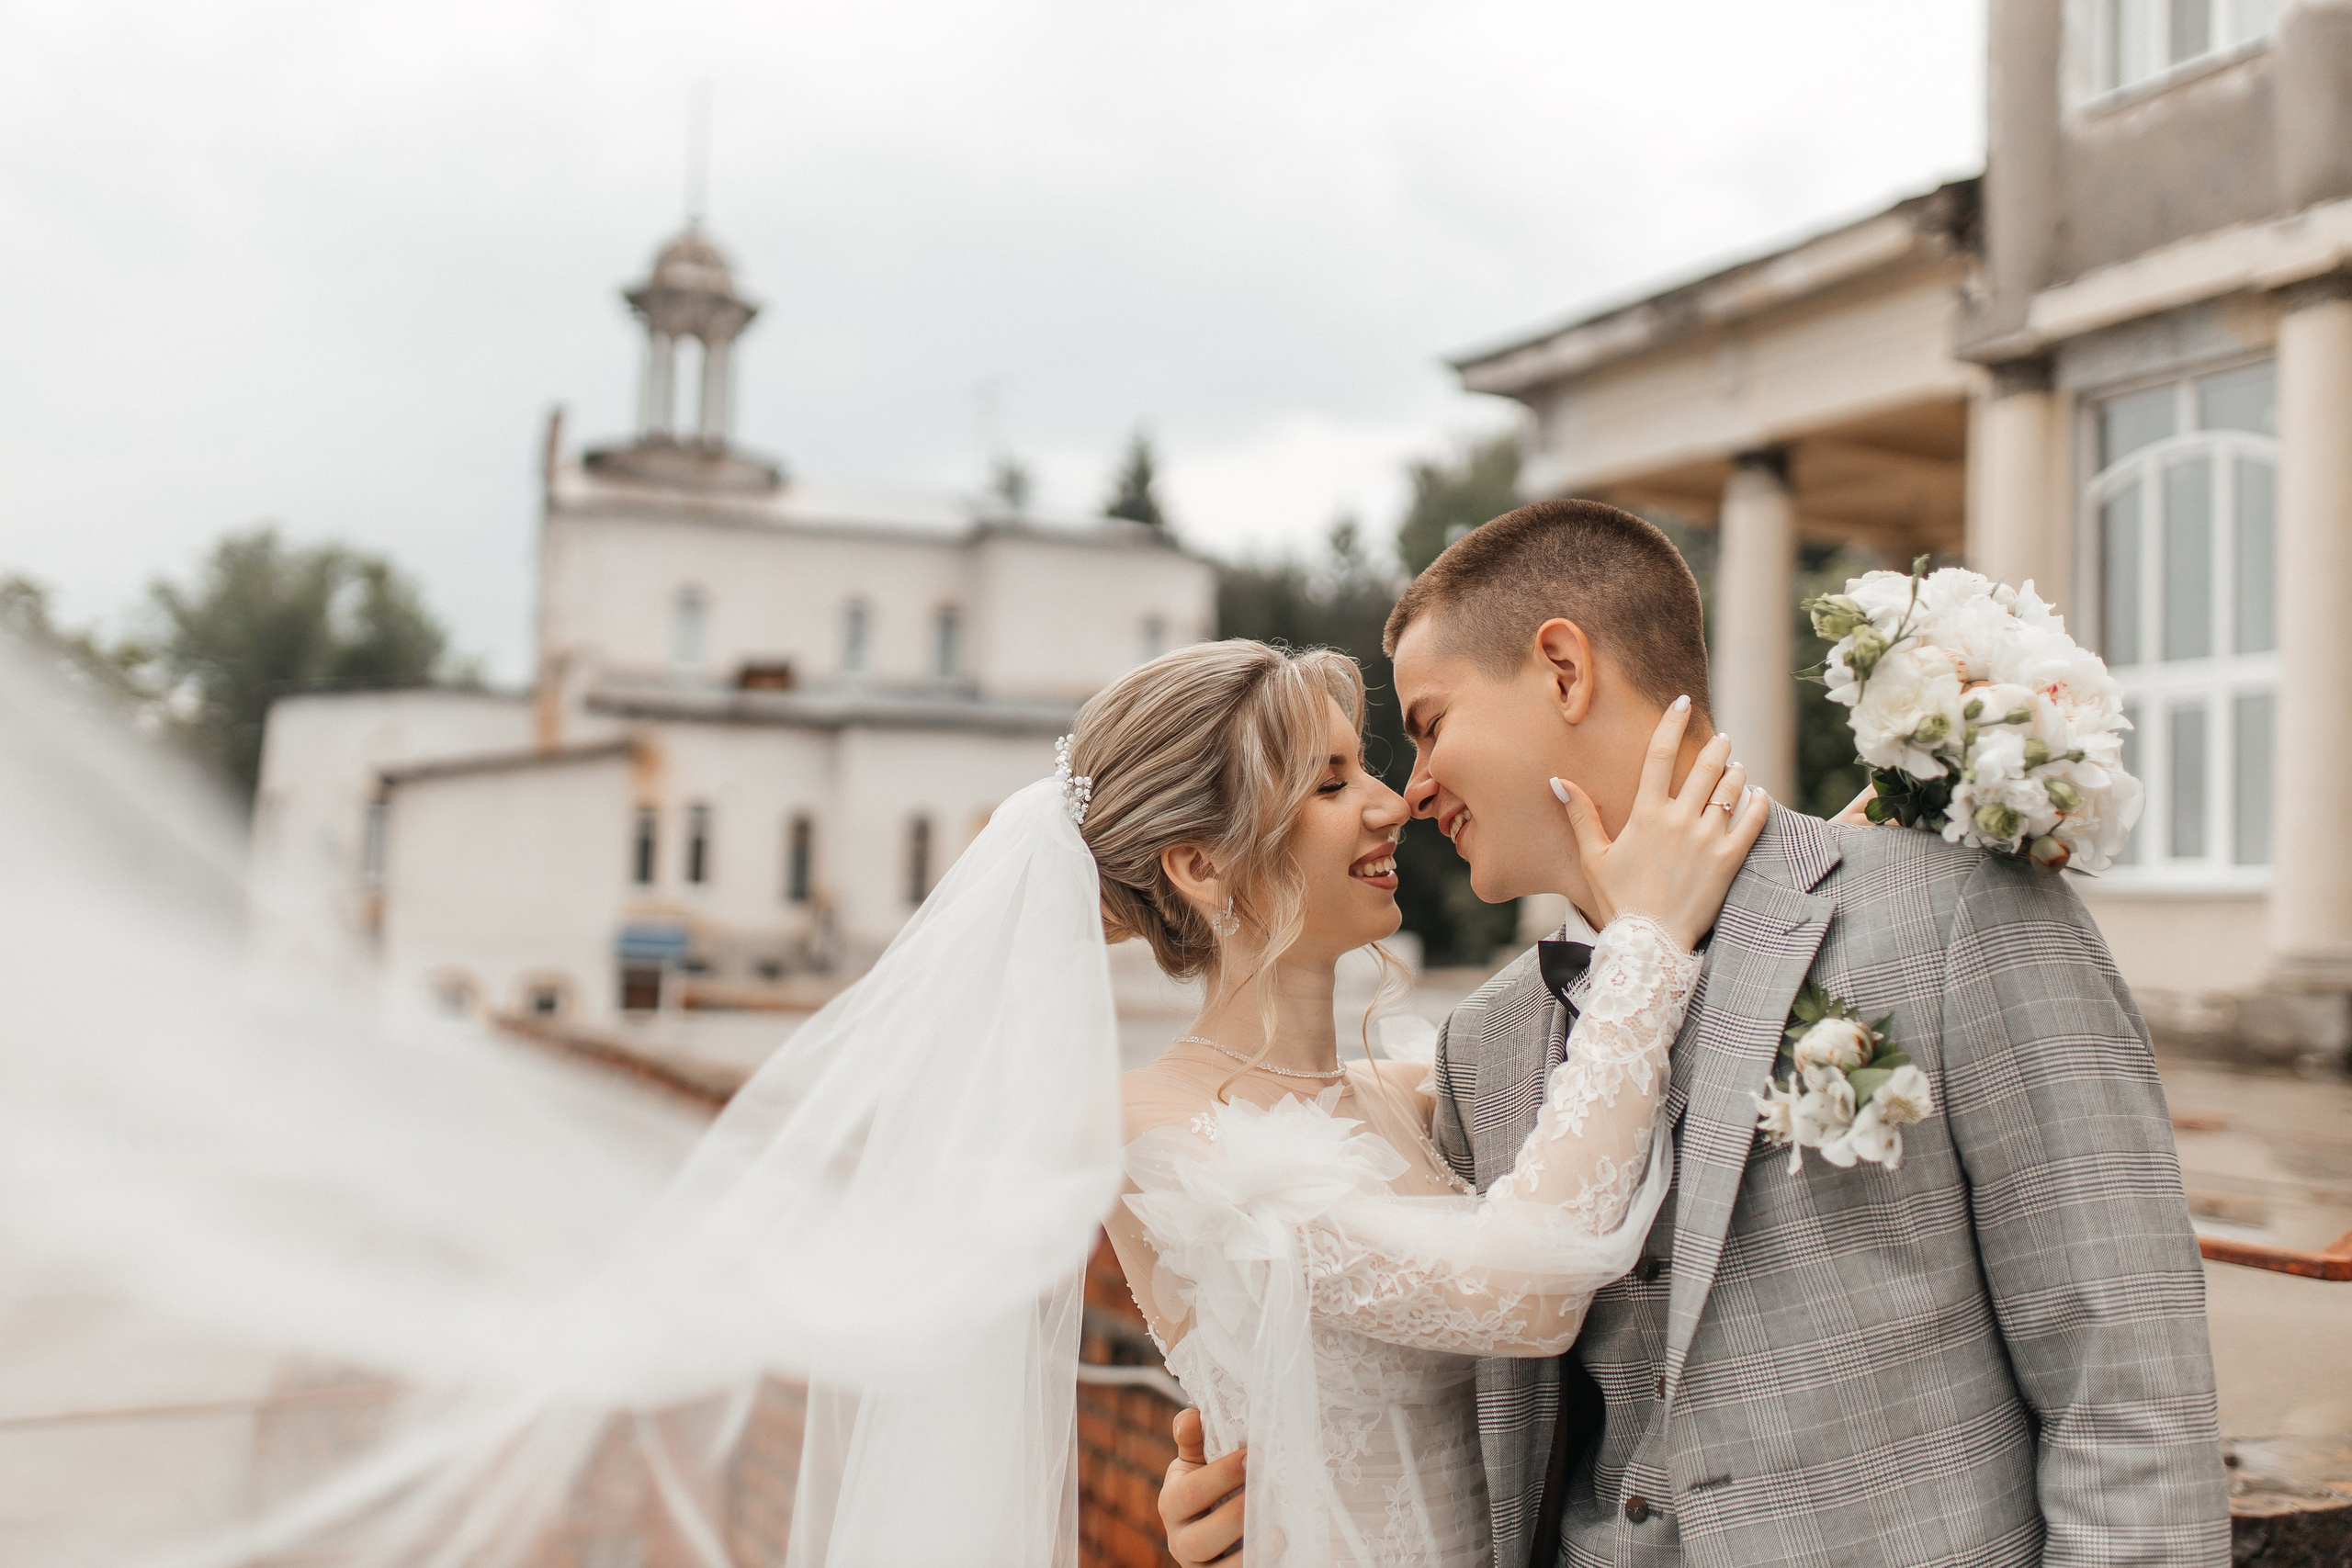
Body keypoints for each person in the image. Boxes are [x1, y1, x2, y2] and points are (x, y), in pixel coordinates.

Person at [1159, 499, 2231, 1568]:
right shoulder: (1483, 1047)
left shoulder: (1954, 919)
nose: (1416, 785)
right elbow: (1462, 1420)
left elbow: (2127, 1393)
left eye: (1432, 723)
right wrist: (1254, 1503)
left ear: (1563, 669)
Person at [1086, 638, 1766, 1567]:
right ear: (1201, 868)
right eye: (1329, 786)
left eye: (1363, 767)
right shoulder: (1151, 1126)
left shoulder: (1415, 1092)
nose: (1391, 800)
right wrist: (1646, 943)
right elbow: (1522, 1294)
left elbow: (1600, 1088)